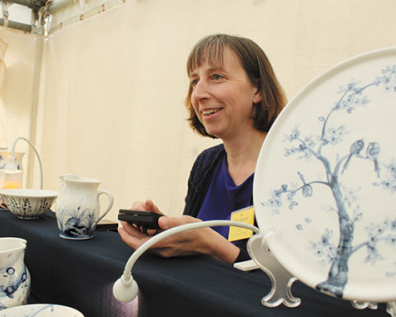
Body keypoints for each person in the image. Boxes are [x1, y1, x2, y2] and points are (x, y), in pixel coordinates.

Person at [118, 33, 287, 264]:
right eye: (195, 81)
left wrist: (212, 245)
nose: (198, 94)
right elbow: (195, 246)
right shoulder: (206, 163)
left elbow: (291, 278)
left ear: (257, 90)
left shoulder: (291, 167)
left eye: (216, 76)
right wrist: (165, 229)